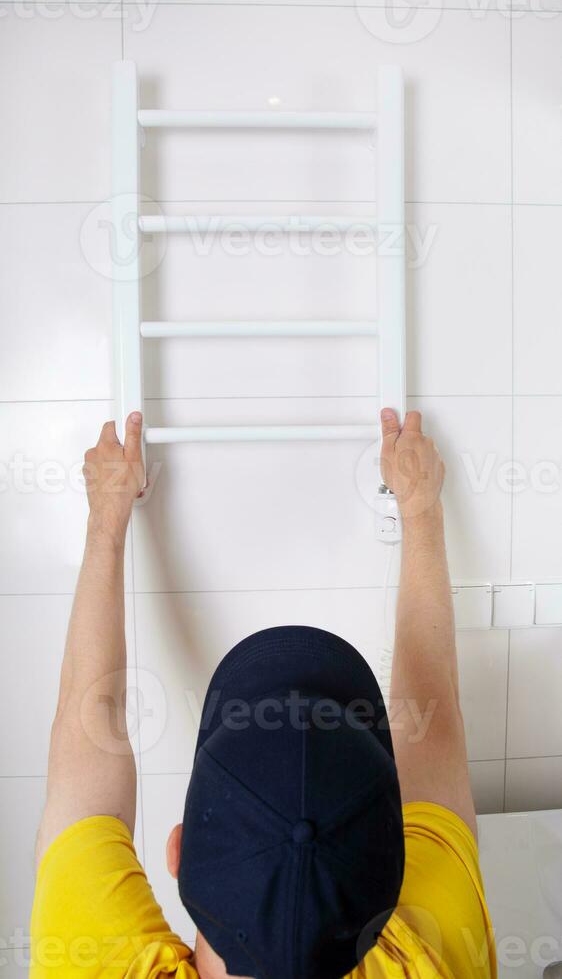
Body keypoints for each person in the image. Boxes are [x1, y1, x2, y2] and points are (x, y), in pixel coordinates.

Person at [30, 408, 497, 978]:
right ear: (400, 867)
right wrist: (421, 510)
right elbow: (436, 711)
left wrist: (107, 519)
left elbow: (86, 731)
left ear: (177, 853)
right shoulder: (431, 958)